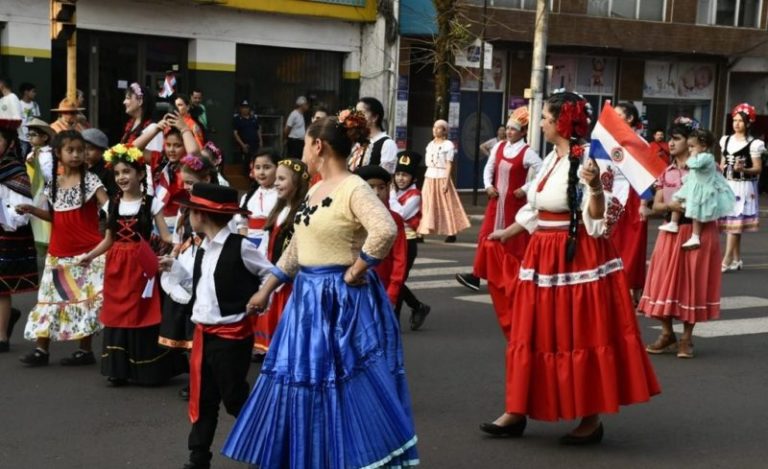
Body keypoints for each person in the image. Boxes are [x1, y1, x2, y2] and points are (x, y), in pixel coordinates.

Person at [222, 111, 419, 468]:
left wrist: (358, 268)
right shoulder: (314, 188)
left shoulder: (354, 187)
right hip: (306, 298)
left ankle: (346, 457)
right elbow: (297, 248)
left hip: (339, 299)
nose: (303, 152)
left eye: (305, 145)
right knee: (302, 379)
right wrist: (267, 288)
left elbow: (385, 230)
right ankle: (310, 455)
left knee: (342, 383)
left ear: (318, 145)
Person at [479, 92, 659, 444]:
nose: (541, 122)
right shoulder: (551, 158)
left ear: (561, 121)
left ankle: (590, 419)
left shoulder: (589, 158)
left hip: (576, 257)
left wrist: (593, 185)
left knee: (577, 333)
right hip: (542, 254)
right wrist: (509, 231)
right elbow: (536, 205)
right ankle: (517, 409)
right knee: (533, 333)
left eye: (545, 116)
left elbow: (599, 219)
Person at [158, 183, 272, 469]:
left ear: (202, 215)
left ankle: (266, 446)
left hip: (231, 335)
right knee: (203, 398)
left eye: (190, 211)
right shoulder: (201, 247)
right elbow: (200, 284)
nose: (188, 215)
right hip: (202, 333)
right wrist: (173, 266)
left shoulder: (241, 246)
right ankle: (198, 458)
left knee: (234, 398)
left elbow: (271, 273)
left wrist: (260, 297)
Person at [76, 144, 185, 385]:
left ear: (139, 173)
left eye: (126, 171)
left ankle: (146, 369)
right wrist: (90, 256)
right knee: (117, 313)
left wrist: (182, 244)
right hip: (117, 265)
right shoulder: (110, 205)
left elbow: (166, 236)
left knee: (143, 313)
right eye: (117, 173)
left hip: (142, 264)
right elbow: (109, 239)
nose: (121, 177)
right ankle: (119, 369)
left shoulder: (151, 203)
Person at [15, 130, 109, 367]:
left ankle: (85, 350)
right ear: (58, 153)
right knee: (48, 300)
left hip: (87, 252)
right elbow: (55, 216)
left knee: (84, 301)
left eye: (81, 150)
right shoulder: (53, 185)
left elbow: (109, 207)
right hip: (58, 252)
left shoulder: (91, 180)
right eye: (71, 150)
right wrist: (31, 209)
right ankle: (41, 349)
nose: (77, 155)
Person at [639, 118, 724, 359]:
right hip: (671, 230)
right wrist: (670, 204)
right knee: (661, 283)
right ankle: (667, 334)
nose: (671, 143)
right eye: (671, 138)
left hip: (699, 232)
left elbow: (719, 199)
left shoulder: (709, 167)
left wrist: (694, 206)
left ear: (692, 142)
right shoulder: (667, 170)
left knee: (691, 284)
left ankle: (687, 338)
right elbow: (656, 204)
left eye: (677, 138)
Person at [456, 107, 540, 291]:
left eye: (513, 129)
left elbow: (542, 173)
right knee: (485, 236)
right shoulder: (500, 146)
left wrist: (525, 189)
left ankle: (517, 276)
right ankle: (477, 275)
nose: (509, 132)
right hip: (496, 202)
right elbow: (489, 168)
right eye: (508, 128)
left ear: (523, 132)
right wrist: (488, 186)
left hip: (514, 204)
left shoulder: (527, 152)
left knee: (513, 242)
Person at [251, 158, 310, 355]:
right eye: (276, 178)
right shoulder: (279, 210)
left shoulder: (302, 213)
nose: (276, 183)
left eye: (282, 179)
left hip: (291, 280)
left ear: (298, 183)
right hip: (274, 272)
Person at [658, 128, 735, 249]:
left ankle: (695, 236)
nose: (690, 150)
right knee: (678, 198)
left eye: (692, 147)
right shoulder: (698, 158)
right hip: (692, 186)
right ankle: (673, 223)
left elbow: (695, 165)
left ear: (703, 146)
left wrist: (691, 158)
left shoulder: (707, 157)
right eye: (689, 147)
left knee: (696, 214)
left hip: (701, 189)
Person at [0, 118, 39, 353]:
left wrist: (6, 215)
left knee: (1, 287)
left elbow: (22, 213)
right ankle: (7, 317)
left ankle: (1, 337)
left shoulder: (14, 170)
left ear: (9, 143)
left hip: (7, 235)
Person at [611, 101, 650, 305]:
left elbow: (645, 177)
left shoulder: (640, 143)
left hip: (634, 197)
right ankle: (620, 286)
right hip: (614, 197)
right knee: (615, 244)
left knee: (633, 245)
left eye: (618, 114)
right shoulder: (611, 141)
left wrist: (643, 204)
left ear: (629, 119)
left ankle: (632, 288)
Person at [719, 102, 764, 272]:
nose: (736, 124)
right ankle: (737, 259)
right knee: (733, 224)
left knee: (735, 223)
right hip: (728, 184)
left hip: (743, 186)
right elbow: (722, 163)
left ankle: (727, 258)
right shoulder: (726, 140)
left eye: (740, 121)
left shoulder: (754, 144)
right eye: (734, 120)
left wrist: (743, 169)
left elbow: (758, 168)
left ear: (748, 123)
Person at [356, 164, 408, 309]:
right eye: (370, 187)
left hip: (381, 285)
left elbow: (400, 259)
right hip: (353, 285)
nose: (377, 192)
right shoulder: (350, 216)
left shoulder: (394, 219)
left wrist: (392, 292)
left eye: (381, 187)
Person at [390, 150, 431, 330]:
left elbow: (399, 214)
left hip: (407, 242)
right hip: (392, 241)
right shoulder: (396, 193)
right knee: (393, 279)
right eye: (398, 174)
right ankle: (418, 307)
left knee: (397, 281)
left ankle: (394, 321)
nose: (400, 178)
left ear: (413, 177)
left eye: (405, 175)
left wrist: (390, 195)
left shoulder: (414, 195)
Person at [418, 119, 470, 243]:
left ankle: (451, 232)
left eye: (439, 127)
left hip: (442, 177)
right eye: (434, 127)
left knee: (446, 206)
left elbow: (449, 164)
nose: (435, 130)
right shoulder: (430, 145)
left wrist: (446, 182)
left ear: (445, 131)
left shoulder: (448, 145)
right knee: (426, 204)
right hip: (429, 176)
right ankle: (421, 232)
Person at [234, 148, 279, 250]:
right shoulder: (248, 197)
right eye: (257, 168)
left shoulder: (281, 195)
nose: (261, 172)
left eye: (267, 167)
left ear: (277, 168)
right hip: (250, 244)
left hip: (272, 243)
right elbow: (242, 224)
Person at [348, 97, 399, 174]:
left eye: (361, 113)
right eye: (356, 113)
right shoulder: (359, 142)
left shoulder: (387, 144)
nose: (357, 117)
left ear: (375, 117)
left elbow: (386, 176)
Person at [82, 128, 119, 199]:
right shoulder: (79, 168)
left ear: (102, 151)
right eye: (82, 148)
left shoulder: (108, 171)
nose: (86, 153)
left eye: (90, 149)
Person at [233, 100, 262, 176]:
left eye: (247, 108)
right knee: (247, 162)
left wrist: (261, 141)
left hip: (255, 143)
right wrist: (242, 145)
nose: (245, 109)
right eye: (243, 108)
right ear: (240, 109)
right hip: (246, 144)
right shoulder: (237, 119)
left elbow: (258, 130)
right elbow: (235, 134)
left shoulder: (253, 118)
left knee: (256, 160)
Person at [18, 82, 41, 158]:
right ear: (26, 92)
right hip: (22, 138)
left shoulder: (35, 105)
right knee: (22, 159)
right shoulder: (18, 104)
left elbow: (37, 121)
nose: (35, 94)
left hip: (33, 139)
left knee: (33, 159)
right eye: (33, 91)